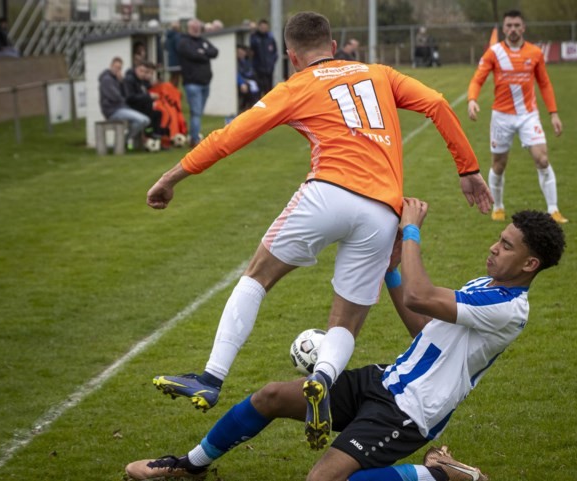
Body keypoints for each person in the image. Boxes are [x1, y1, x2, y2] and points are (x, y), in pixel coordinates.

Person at [146, 11, 492, 450]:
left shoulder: (296, 86)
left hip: (327, 192)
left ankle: (211, 377)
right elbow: (439, 104)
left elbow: (228, 136)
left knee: (258, 275)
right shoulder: (379, 74)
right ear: (334, 44)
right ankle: (323, 381)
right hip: (384, 212)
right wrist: (468, 168)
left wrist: (171, 178)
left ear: (292, 56)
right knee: (346, 316)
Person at [125, 198, 566, 481]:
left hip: (410, 412)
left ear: (529, 265)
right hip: (385, 380)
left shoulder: (509, 308)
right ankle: (188, 467)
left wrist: (410, 231)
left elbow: (421, 295)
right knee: (271, 396)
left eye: (506, 246)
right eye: (499, 239)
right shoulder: (487, 285)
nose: (494, 247)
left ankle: (443, 476)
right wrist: (393, 266)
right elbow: (422, 323)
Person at [467, 10, 568, 224]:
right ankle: (499, 206)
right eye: (509, 25)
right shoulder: (493, 53)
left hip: (528, 115)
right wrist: (472, 99)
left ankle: (553, 209)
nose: (513, 29)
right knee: (499, 165)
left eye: (516, 25)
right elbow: (478, 79)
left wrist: (553, 113)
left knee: (542, 158)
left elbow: (544, 83)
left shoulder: (535, 53)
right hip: (501, 117)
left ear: (523, 28)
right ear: (503, 28)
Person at [178, 18, 219, 147]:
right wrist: (203, 54)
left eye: (198, 27)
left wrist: (203, 52)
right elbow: (193, 55)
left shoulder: (203, 41)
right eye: (193, 27)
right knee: (196, 112)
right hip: (192, 83)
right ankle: (195, 140)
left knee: (198, 112)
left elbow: (215, 52)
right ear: (189, 28)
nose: (196, 29)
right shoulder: (184, 42)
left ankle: (193, 136)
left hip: (205, 83)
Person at [98, 56, 150, 150]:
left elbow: (124, 95)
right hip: (112, 110)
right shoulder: (107, 79)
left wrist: (122, 82)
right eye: (116, 67)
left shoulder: (116, 79)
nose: (117, 70)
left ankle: (124, 140)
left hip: (121, 108)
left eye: (119, 68)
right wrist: (123, 99)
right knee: (143, 120)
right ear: (111, 66)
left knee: (144, 120)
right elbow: (116, 97)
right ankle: (124, 141)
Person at [123, 61, 167, 141]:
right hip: (133, 108)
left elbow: (143, 93)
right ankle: (149, 137)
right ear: (136, 69)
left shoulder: (140, 81)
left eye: (145, 71)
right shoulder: (129, 80)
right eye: (141, 71)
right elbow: (130, 98)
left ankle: (155, 137)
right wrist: (149, 96)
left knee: (158, 113)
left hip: (143, 107)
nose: (143, 74)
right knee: (152, 116)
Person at [250, 18, 278, 95]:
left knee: (268, 90)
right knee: (259, 89)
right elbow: (251, 52)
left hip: (269, 69)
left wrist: (272, 63)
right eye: (262, 27)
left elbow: (275, 52)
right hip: (258, 69)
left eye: (265, 27)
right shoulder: (254, 38)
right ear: (259, 27)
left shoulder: (270, 38)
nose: (263, 29)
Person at [236, 44, 259, 112]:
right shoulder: (236, 62)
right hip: (242, 82)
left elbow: (250, 72)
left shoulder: (247, 61)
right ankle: (246, 106)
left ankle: (254, 105)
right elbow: (238, 74)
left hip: (249, 80)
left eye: (242, 52)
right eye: (239, 52)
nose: (241, 54)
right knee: (248, 87)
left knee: (257, 84)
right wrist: (242, 83)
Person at [164, 21, 182, 86]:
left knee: (172, 77)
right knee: (176, 78)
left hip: (170, 60)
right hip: (177, 61)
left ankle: (170, 92)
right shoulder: (177, 36)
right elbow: (179, 48)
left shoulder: (168, 36)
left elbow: (165, 47)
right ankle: (172, 93)